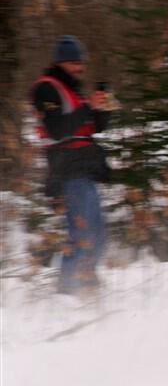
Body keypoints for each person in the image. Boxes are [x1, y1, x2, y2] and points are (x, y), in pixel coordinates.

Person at [31, 35, 113, 296]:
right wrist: (88, 107)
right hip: (67, 171)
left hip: (85, 170)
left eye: (82, 63)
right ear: (62, 62)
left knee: (98, 234)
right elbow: (57, 130)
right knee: (83, 231)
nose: (81, 68)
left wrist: (102, 109)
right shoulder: (46, 88)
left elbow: (94, 127)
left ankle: (84, 282)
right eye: (76, 63)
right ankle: (69, 291)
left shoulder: (72, 89)